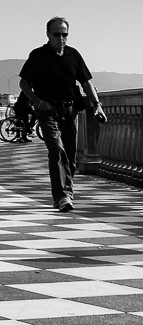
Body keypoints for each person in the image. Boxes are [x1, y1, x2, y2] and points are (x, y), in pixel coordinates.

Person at [19, 16, 107, 212]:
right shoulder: (38, 55)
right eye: (57, 34)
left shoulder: (73, 55)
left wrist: (97, 105)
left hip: (69, 110)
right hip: (47, 111)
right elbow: (23, 84)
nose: (61, 38)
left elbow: (86, 83)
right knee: (56, 150)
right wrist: (38, 101)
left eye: (64, 34)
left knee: (70, 156)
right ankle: (63, 197)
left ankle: (64, 192)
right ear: (48, 34)